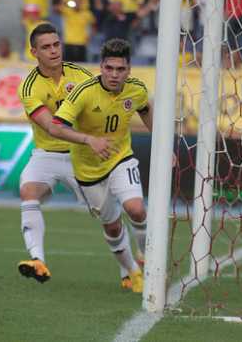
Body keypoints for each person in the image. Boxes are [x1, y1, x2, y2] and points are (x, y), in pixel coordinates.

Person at [49, 38, 152, 293]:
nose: (114, 75)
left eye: (120, 69)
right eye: (109, 68)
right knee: (113, 225)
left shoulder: (136, 89)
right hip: (88, 171)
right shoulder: (84, 92)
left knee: (137, 209)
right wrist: (88, 140)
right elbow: (56, 127)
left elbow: (146, 110)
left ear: (129, 69)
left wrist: (164, 146)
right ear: (101, 67)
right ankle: (132, 272)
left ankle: (145, 254)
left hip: (120, 158)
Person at [15, 22, 96, 284]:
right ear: (34, 52)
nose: (53, 51)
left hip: (80, 155)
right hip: (46, 155)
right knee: (28, 192)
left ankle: (130, 268)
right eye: (46, 47)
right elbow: (51, 128)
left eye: (56, 44)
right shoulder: (29, 87)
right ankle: (37, 260)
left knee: (107, 213)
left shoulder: (82, 76)